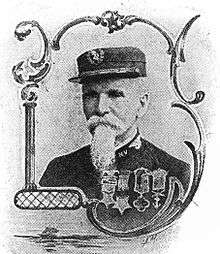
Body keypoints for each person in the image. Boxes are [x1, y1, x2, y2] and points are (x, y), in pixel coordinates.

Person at [39, 47, 190, 208]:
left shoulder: (177, 173)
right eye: (90, 95)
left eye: (115, 95)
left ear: (142, 104)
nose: (100, 108)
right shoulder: (59, 170)